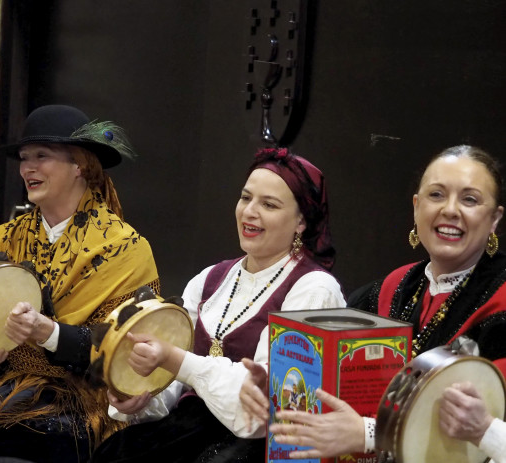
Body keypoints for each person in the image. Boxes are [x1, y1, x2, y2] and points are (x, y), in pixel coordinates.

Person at [0, 105, 159, 463]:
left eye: (42, 157)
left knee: (29, 440)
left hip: (80, 400)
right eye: (24, 158)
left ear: (80, 165)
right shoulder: (2, 240)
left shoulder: (126, 249)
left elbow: (125, 350)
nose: (27, 168)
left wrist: (47, 332)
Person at [90, 147, 346, 463]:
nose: (250, 211)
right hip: (185, 431)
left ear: (301, 222)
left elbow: (265, 408)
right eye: (245, 198)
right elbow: (175, 384)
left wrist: (174, 358)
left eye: (269, 204)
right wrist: (141, 398)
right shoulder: (210, 279)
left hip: (254, 446)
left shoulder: (314, 289)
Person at [256, 145, 505, 461]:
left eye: (469, 199)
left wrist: (369, 433)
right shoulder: (390, 287)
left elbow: (479, 428)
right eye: (436, 195)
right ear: (416, 207)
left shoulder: (501, 303)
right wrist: (273, 383)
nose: (450, 210)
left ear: (495, 218)